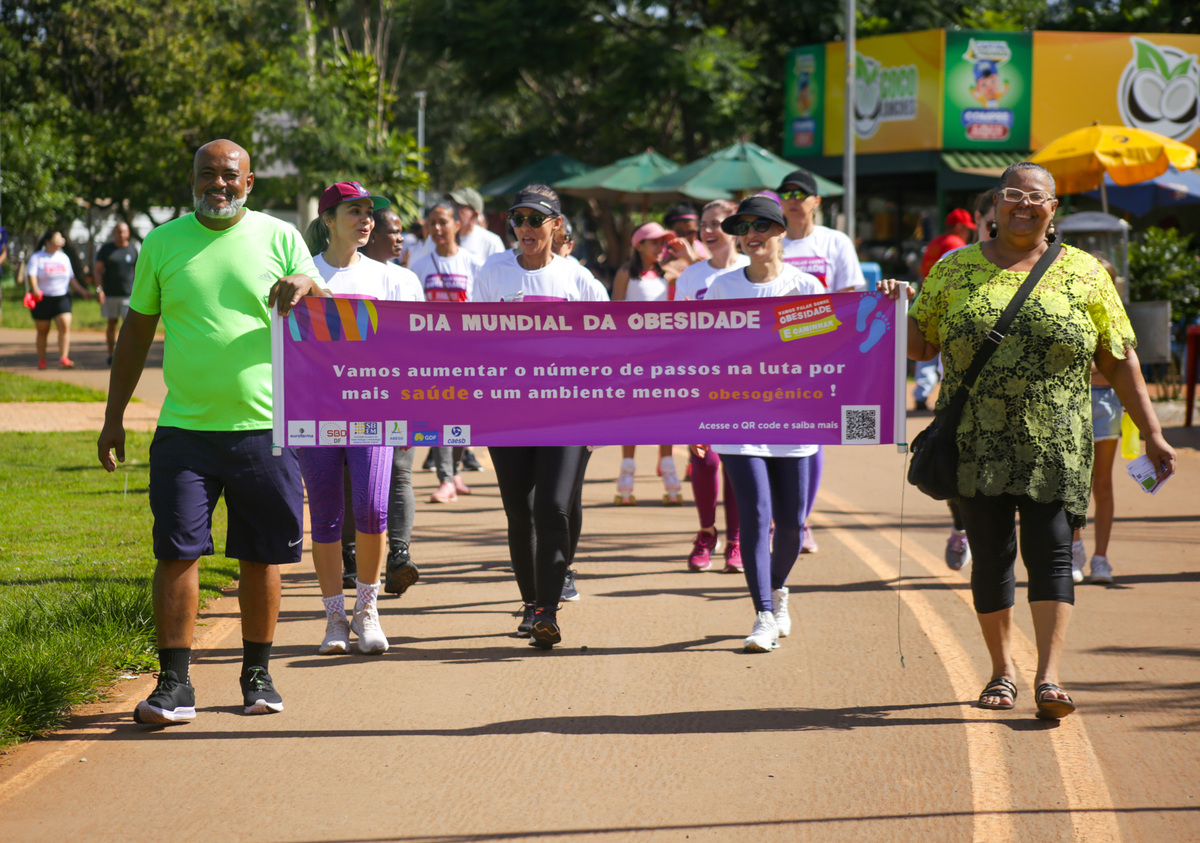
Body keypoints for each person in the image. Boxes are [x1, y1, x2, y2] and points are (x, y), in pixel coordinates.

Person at [879, 162, 1176, 719]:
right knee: (991, 556)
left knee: (1053, 554)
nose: (1023, 204)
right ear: (995, 205)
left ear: (1053, 208)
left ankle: (1049, 676)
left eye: (1035, 197)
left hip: (1057, 442)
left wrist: (1154, 432)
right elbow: (920, 349)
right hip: (975, 441)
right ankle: (1001, 671)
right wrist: (897, 305)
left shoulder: (1086, 274)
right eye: (1012, 194)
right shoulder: (954, 269)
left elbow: (1118, 356)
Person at [97, 139, 328, 723]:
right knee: (176, 552)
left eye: (229, 177)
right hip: (185, 430)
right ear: (193, 180)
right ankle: (174, 684)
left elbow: (324, 301)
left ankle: (257, 676)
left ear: (249, 183)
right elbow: (135, 334)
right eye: (207, 176)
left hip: (265, 428)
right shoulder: (163, 242)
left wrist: (307, 286)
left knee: (261, 555)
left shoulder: (280, 237)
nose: (217, 186)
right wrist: (113, 416)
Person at [474, 184, 607, 648]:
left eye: (536, 219)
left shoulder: (580, 280)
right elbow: (471, 340)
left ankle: (549, 611)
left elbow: (607, 348)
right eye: (518, 219)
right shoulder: (492, 272)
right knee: (520, 514)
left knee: (552, 506)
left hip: (567, 413)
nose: (526, 228)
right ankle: (531, 607)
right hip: (507, 412)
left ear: (557, 226)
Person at [300, 182, 424, 655]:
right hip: (315, 414)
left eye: (370, 211)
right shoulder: (300, 275)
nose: (366, 218)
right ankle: (334, 618)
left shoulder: (397, 281)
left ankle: (367, 611)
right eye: (355, 211)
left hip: (377, 411)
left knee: (372, 512)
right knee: (327, 518)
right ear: (328, 219)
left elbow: (417, 350)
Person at [705, 195, 823, 652]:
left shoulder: (806, 287)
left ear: (779, 232)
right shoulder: (720, 288)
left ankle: (778, 589)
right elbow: (704, 357)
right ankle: (764, 614)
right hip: (736, 418)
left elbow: (821, 353)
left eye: (761, 225)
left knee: (791, 523)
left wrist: (892, 300)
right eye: (744, 227)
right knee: (754, 516)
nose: (751, 234)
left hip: (793, 418)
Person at [776, 167, 867, 556]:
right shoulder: (771, 239)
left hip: (820, 355)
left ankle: (800, 521)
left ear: (816, 202)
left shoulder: (835, 242)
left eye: (802, 194)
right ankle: (778, 520)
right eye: (788, 194)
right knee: (775, 436)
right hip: (773, 356)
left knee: (810, 436)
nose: (794, 200)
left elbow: (849, 298)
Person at [675, 199, 748, 573]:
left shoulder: (751, 271)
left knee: (734, 461)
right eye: (703, 224)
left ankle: (736, 541)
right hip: (701, 384)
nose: (706, 230)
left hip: (745, 386)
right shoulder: (690, 276)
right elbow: (677, 334)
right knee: (705, 459)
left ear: (733, 228)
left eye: (716, 223)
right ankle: (706, 534)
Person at [360, 205, 422, 596]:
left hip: (399, 392)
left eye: (402, 232)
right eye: (393, 232)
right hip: (353, 392)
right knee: (354, 471)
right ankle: (352, 555)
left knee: (399, 471)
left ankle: (398, 555)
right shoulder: (344, 274)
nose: (400, 239)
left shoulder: (407, 279)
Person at [409, 200, 485, 502]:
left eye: (443, 222)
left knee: (462, 417)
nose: (437, 228)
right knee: (438, 416)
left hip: (467, 356)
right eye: (432, 223)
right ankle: (445, 479)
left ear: (458, 225)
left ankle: (453, 472)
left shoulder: (474, 264)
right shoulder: (419, 266)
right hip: (432, 357)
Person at [611, 221, 686, 506]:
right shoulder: (624, 275)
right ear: (638, 244)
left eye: (662, 242)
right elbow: (614, 317)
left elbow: (699, 270)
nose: (659, 247)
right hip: (631, 358)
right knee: (630, 414)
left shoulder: (670, 274)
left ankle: (669, 471)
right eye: (653, 242)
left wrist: (684, 254)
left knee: (664, 413)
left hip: (664, 357)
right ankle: (626, 475)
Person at [1071, 255, 1123, 585]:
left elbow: (1120, 368)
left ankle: (1101, 559)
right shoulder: (1068, 311)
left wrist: (1091, 369)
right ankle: (1074, 552)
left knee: (1101, 486)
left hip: (1107, 407)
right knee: (1073, 486)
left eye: (1101, 279)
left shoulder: (1117, 318)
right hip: (1071, 407)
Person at [913, 209, 975, 411]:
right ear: (958, 227)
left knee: (927, 349)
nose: (968, 233)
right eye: (966, 228)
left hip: (927, 296)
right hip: (946, 300)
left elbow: (922, 270)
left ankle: (921, 393)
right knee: (943, 351)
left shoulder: (934, 242)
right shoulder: (955, 244)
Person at [27, 229, 91, 369]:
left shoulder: (63, 257)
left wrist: (82, 291)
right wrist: (36, 289)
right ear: (47, 242)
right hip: (42, 298)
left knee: (64, 326)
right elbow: (31, 275)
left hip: (61, 297)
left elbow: (71, 278)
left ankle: (64, 358)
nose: (61, 242)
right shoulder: (37, 257)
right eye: (57, 239)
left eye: (61, 239)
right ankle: (42, 360)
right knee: (43, 331)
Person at [94, 221, 139, 365]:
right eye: (119, 232)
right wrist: (99, 289)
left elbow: (138, 272)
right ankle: (111, 354)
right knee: (112, 325)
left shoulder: (132, 250)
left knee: (127, 326)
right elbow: (98, 270)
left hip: (128, 294)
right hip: (110, 294)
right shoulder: (106, 250)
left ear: (128, 233)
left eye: (124, 232)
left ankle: (126, 354)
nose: (121, 234)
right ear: (114, 233)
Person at [449, 187, 505, 261]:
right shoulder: (438, 238)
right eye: (451, 205)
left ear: (474, 214)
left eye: (458, 206)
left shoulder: (491, 242)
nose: (452, 210)